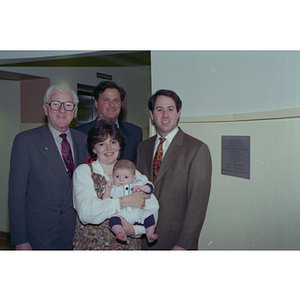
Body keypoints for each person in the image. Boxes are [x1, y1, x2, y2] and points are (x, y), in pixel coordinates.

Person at [8, 85, 89, 250]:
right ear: (45, 109)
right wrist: (20, 240)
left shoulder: (84, 140)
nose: (62, 110)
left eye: (68, 105)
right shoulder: (26, 141)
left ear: (75, 111)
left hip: (76, 235)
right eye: (55, 104)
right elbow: (16, 196)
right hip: (40, 237)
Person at [136, 89, 212, 250]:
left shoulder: (197, 149)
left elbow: (197, 205)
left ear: (178, 113)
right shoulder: (143, 147)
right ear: (151, 114)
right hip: (142, 237)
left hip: (175, 241)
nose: (165, 115)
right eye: (159, 109)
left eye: (170, 109)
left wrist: (183, 244)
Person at [73, 120, 159, 250]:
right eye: (102, 144)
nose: (109, 148)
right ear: (93, 149)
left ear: (120, 146)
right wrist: (124, 201)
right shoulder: (84, 171)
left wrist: (134, 230)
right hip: (92, 247)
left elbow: (152, 208)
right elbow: (86, 213)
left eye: (113, 142)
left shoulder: (133, 173)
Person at [75, 80, 143, 163]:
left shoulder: (135, 133)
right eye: (106, 100)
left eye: (116, 100)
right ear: (96, 103)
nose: (112, 105)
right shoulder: (79, 133)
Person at [102, 159, 158, 243]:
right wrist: (107, 190)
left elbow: (150, 188)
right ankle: (120, 232)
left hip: (136, 212)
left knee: (149, 216)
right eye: (117, 176)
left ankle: (149, 235)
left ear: (133, 178)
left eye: (126, 177)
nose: (121, 180)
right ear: (112, 176)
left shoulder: (136, 184)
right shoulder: (114, 188)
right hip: (121, 214)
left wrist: (142, 188)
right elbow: (106, 201)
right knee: (113, 220)